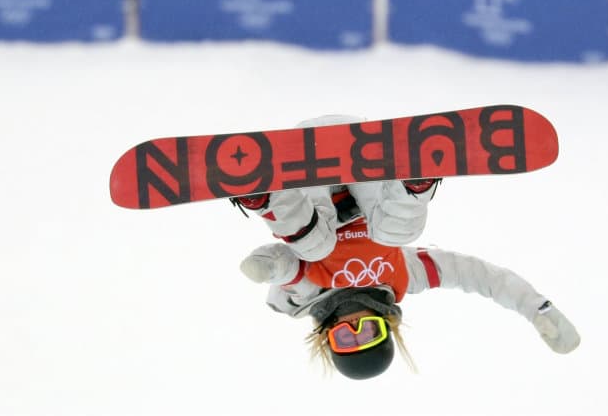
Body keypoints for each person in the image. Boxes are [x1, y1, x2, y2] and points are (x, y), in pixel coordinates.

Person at [233, 115, 581, 380]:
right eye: (368, 333)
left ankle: (262, 192)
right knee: (397, 235)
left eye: (345, 337)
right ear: (386, 326)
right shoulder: (403, 276)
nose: (356, 327)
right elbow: (479, 276)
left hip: (307, 174)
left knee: (313, 249)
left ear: (327, 337)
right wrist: (538, 310)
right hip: (366, 162)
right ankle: (415, 180)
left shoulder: (310, 290)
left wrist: (265, 267)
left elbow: (280, 265)